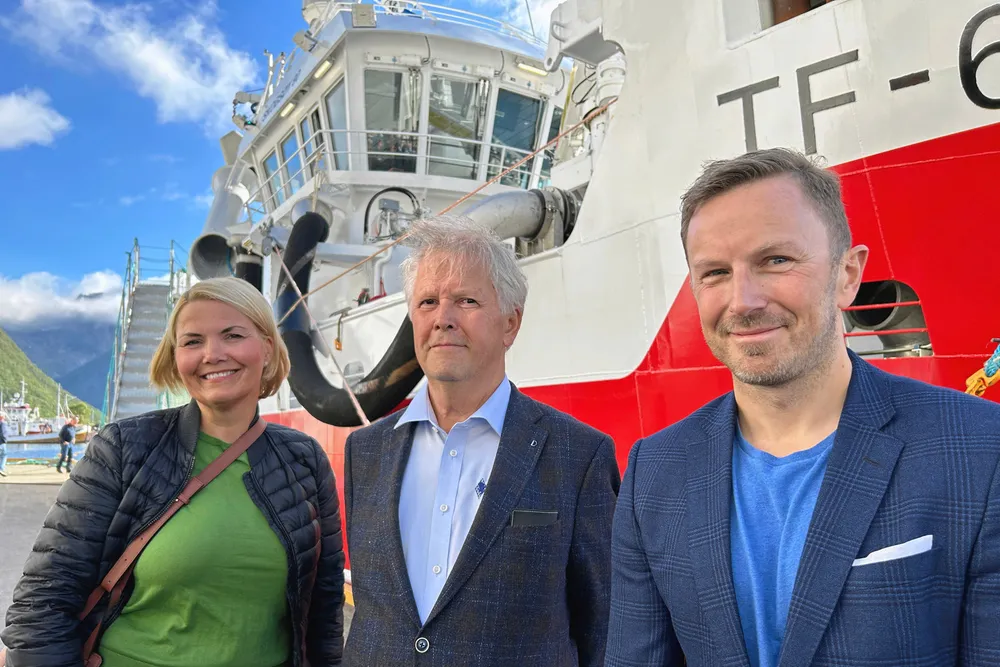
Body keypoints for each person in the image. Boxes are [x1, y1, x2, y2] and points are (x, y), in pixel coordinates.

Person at [605, 148, 1000, 667]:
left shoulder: (980, 450)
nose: (743, 301)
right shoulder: (654, 471)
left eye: (776, 260)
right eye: (715, 272)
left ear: (847, 275)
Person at [2, 276, 346, 666]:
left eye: (233, 335)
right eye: (192, 341)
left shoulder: (304, 459)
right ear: (175, 357)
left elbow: (324, 606)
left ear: (267, 348)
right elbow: (44, 599)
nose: (212, 354)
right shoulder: (124, 447)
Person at [343, 216, 621, 666]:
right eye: (428, 302)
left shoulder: (579, 456)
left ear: (510, 323)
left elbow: (606, 630)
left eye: (466, 301)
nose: (442, 319)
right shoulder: (365, 452)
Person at [0, 413, 10, 477]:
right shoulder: (3, 423)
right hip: (1, 443)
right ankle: (1, 469)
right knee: (4, 455)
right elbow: (3, 433)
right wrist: (5, 440)